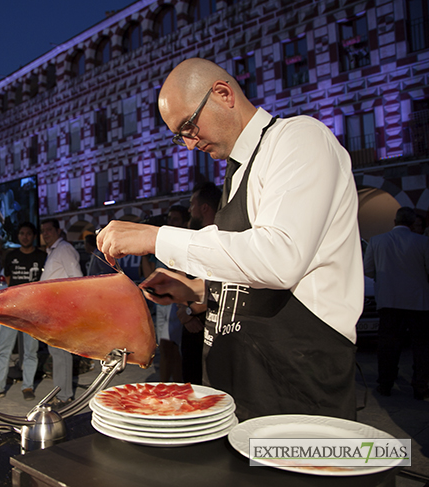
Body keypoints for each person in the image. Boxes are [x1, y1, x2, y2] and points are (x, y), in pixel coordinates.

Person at [97, 58, 363, 421]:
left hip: (294, 395)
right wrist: (197, 291)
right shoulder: (236, 173)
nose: (189, 145)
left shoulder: (298, 139)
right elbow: (253, 274)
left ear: (223, 94)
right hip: (235, 392)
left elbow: (280, 259)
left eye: (189, 127)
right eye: (180, 136)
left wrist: (157, 238)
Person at [363, 207, 429, 400]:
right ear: (411, 223)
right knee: (421, 347)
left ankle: (385, 384)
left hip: (389, 301)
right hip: (418, 302)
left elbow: (368, 270)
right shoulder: (423, 242)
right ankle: (420, 385)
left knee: (387, 346)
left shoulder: (377, 241)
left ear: (395, 221)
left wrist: (386, 280)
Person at [0, 222, 47, 401]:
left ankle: (28, 386)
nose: (25, 236)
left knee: (31, 351)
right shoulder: (11, 256)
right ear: (18, 237)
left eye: (28, 234)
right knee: (4, 349)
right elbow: (9, 281)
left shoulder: (42, 256)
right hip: (12, 309)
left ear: (33, 236)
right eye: (22, 233)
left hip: (32, 311)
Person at [179, 182, 221, 384]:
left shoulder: (223, 238)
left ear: (204, 207)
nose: (189, 209)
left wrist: (188, 312)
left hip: (212, 328)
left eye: (192, 204)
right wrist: (183, 311)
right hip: (190, 329)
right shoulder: (192, 237)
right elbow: (179, 278)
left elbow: (221, 286)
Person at [40, 218, 83, 408]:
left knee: (61, 353)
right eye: (43, 231)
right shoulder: (53, 251)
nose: (46, 234)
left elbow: (77, 279)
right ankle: (60, 392)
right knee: (56, 352)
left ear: (58, 231)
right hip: (52, 309)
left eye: (49, 230)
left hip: (62, 309)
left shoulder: (64, 249)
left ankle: (65, 396)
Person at [156, 205, 189, 383]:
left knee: (176, 350)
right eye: (169, 218)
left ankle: (176, 386)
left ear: (185, 223)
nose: (170, 222)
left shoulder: (185, 246)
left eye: (175, 219)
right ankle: (166, 385)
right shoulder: (164, 248)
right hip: (163, 305)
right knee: (165, 349)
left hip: (178, 304)